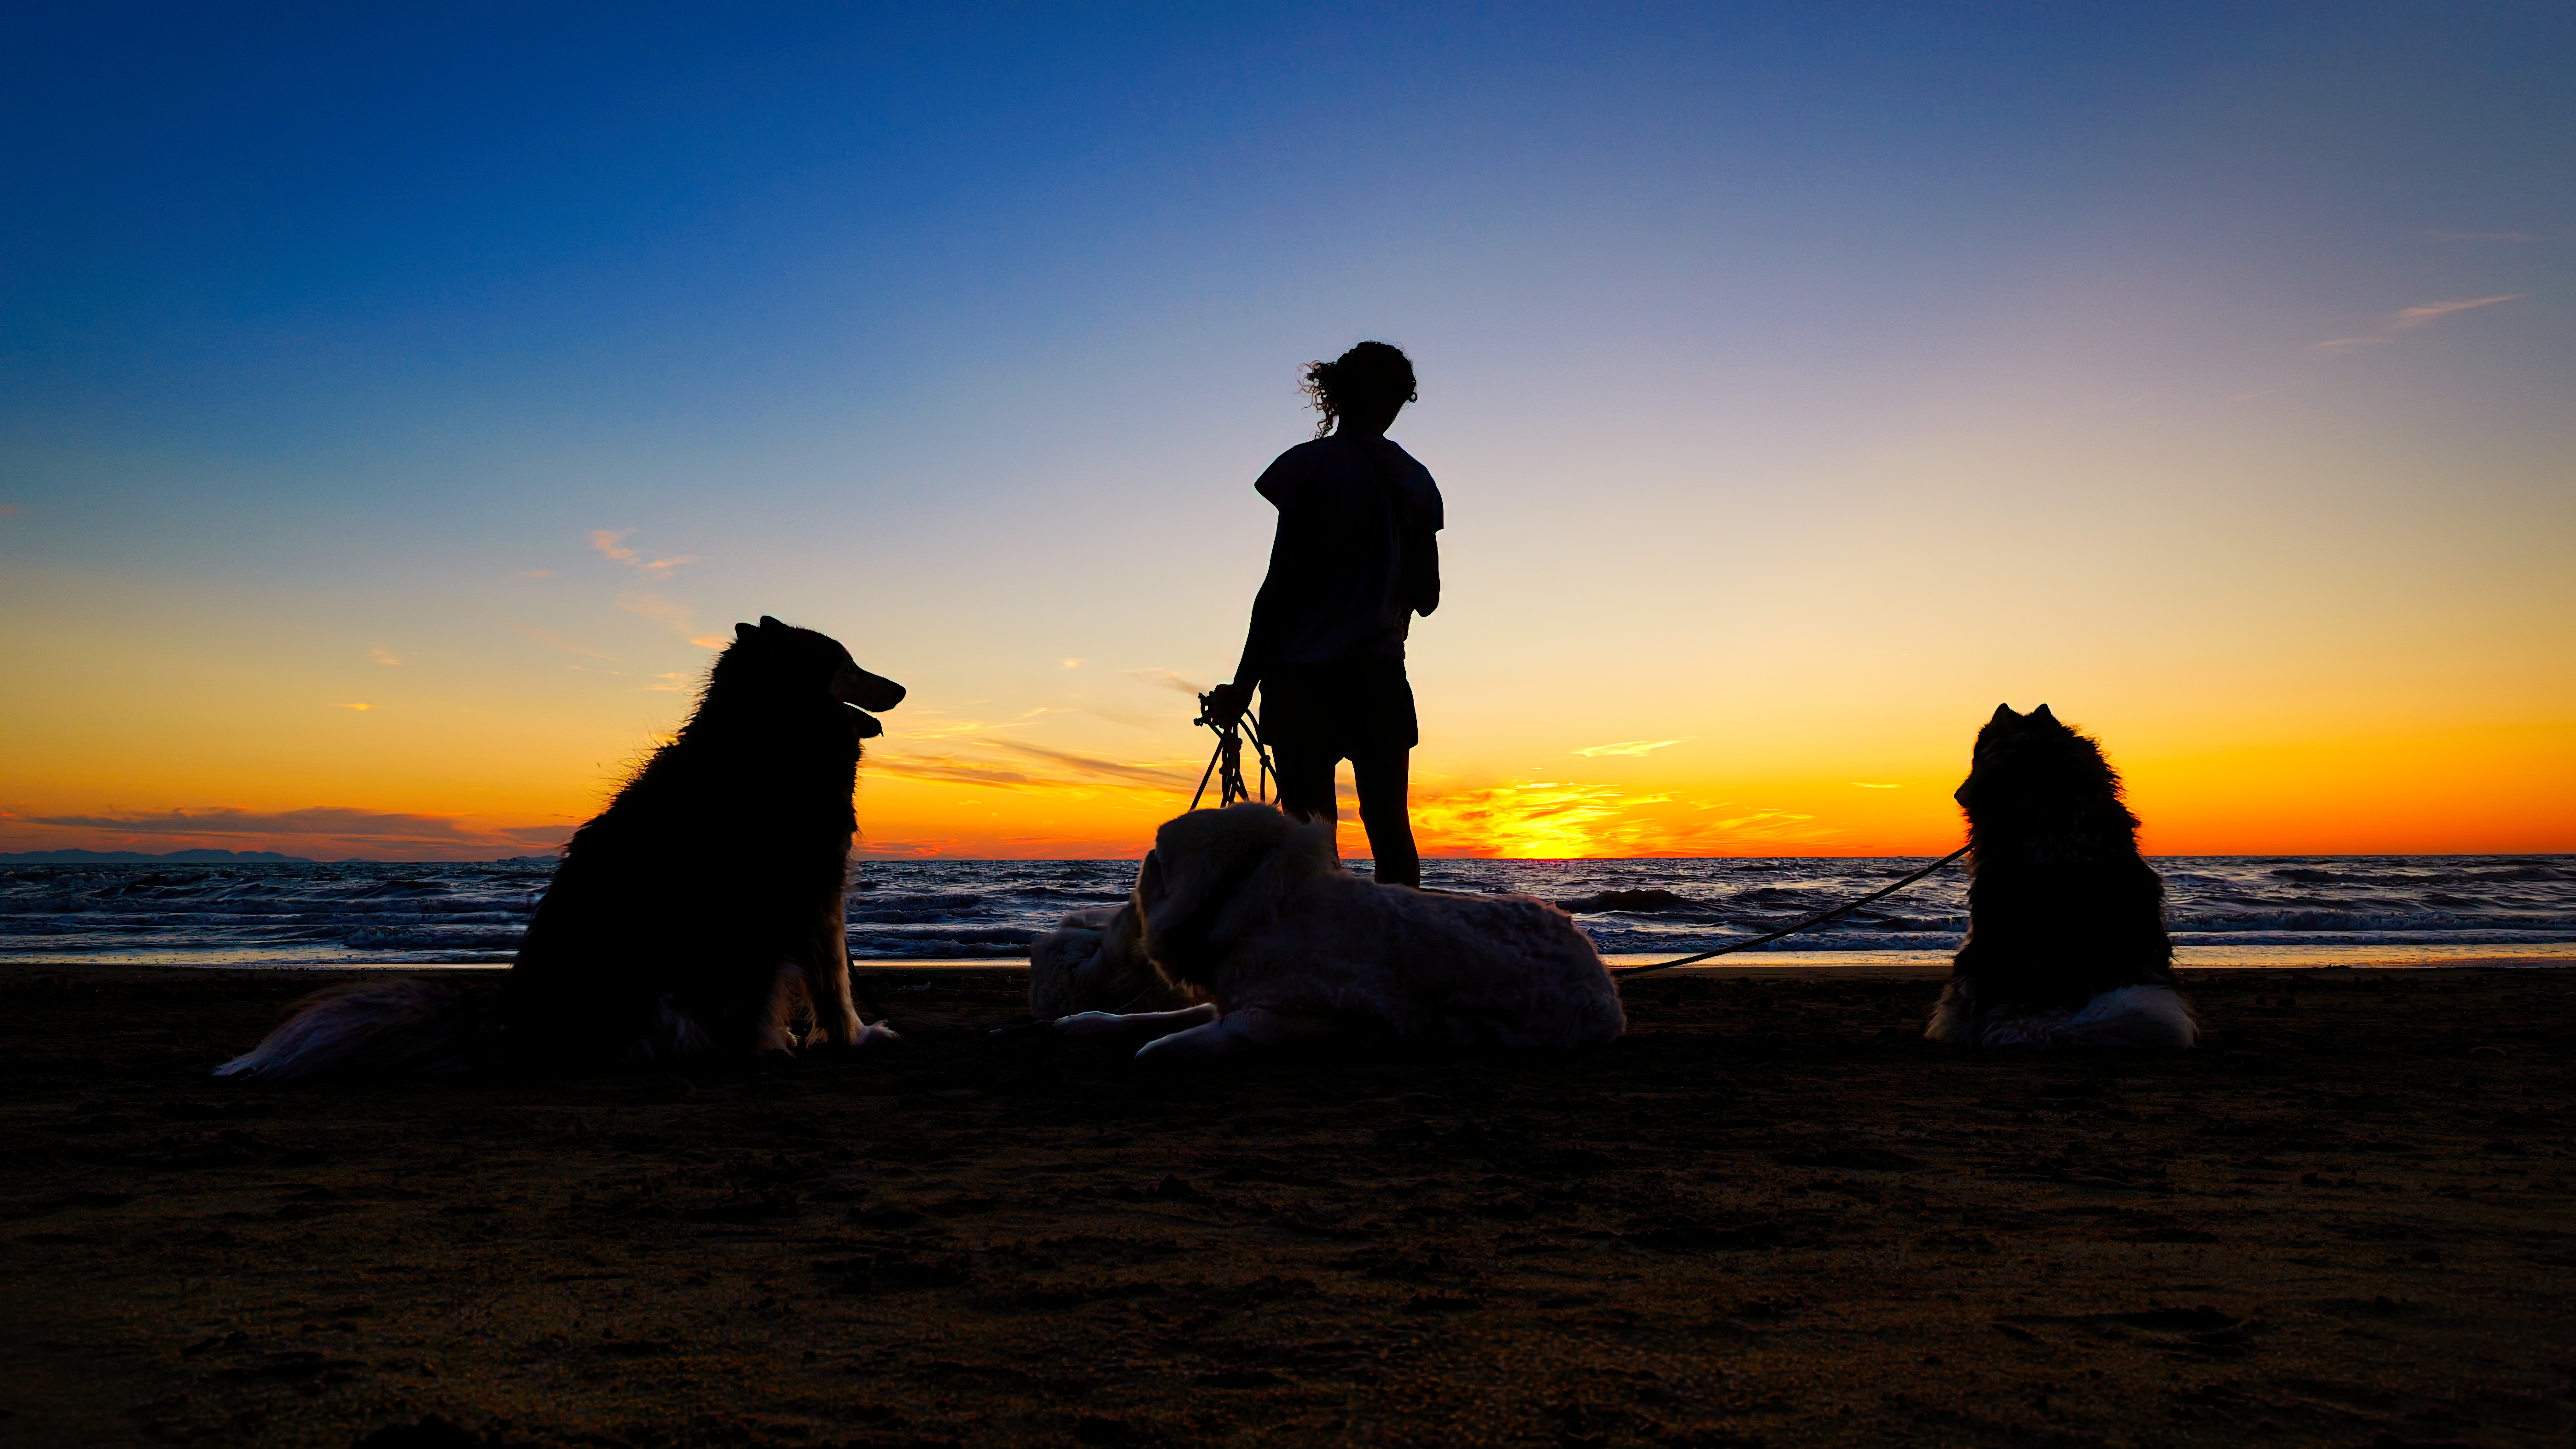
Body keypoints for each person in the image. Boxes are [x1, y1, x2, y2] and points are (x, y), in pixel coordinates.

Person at [1205, 341, 1442, 889]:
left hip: (1301, 680)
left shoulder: (1307, 467)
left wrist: (1243, 685)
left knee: (1308, 841)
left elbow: (1278, 587)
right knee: (1390, 830)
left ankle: (1318, 962)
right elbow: (1427, 598)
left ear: (1335, 393)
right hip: (1378, 674)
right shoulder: (1416, 481)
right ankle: (1394, 961)